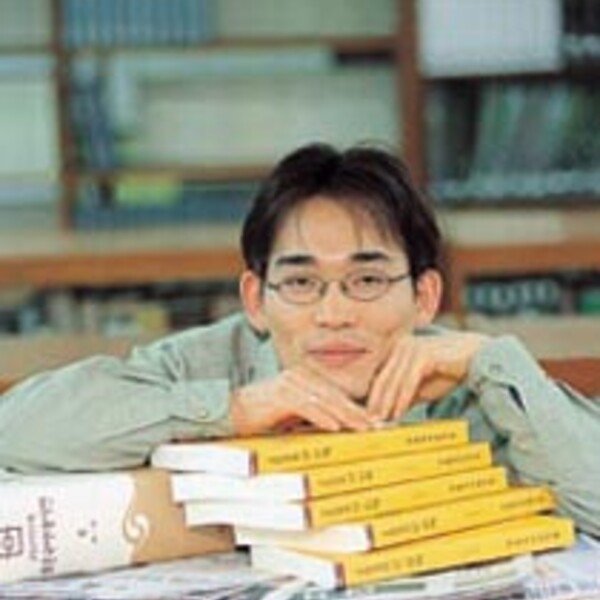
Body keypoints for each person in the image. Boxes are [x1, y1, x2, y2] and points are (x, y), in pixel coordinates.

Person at [0, 143, 599, 536]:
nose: (333, 314)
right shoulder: (210, 362)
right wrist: (231, 411)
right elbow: (14, 434)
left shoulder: (469, 381)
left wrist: (493, 360)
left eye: (367, 280)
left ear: (425, 296)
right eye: (301, 282)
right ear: (256, 300)